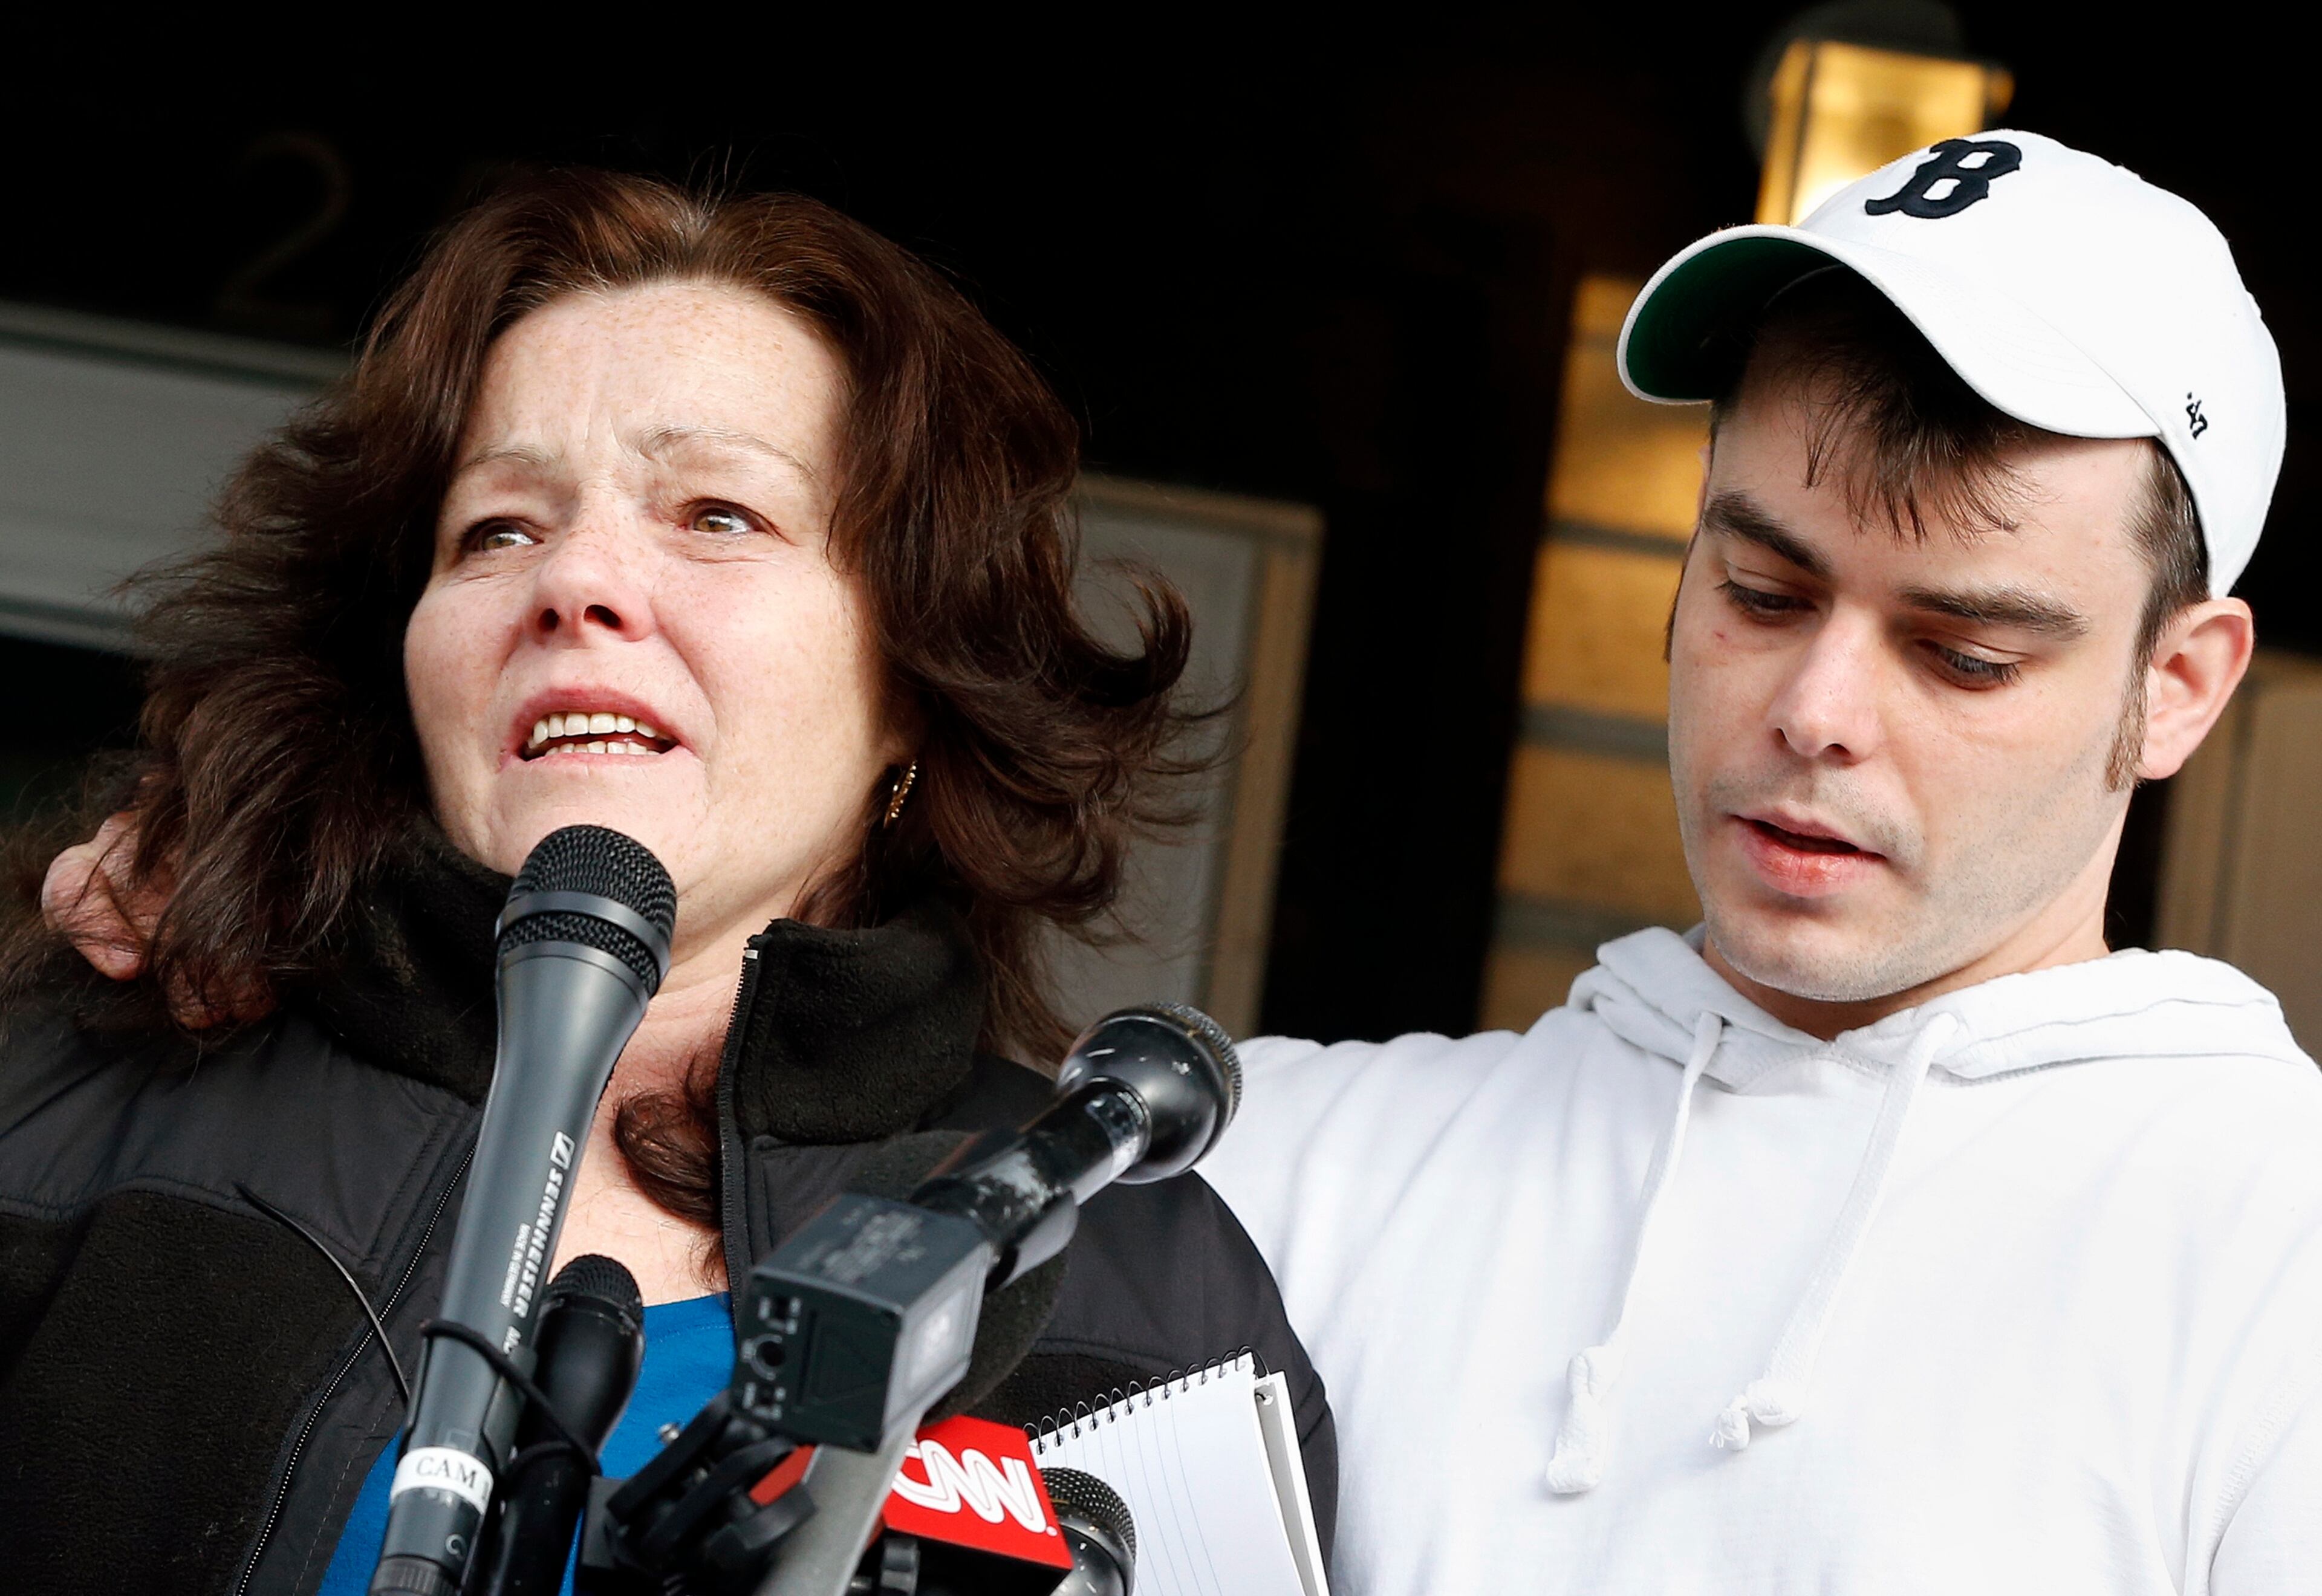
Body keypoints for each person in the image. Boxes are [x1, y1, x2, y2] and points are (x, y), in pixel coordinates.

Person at [0, 171, 1333, 1596]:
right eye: (496, 529)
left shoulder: (1138, 1277)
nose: (575, 578)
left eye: (716, 514)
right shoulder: (75, 1099)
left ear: (915, 681)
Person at [1199, 134, 2321, 1591]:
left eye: (1964, 655)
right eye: (1762, 591)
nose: (1814, 713)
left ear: (2173, 688)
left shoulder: (2280, 1260)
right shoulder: (1269, 1162)